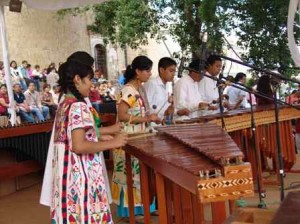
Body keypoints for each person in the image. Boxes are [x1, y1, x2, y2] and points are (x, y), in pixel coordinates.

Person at [40, 51, 128, 223]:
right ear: (78, 79)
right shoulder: (78, 106)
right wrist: (115, 142)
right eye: (90, 80)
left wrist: (101, 136)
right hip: (81, 184)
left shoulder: (64, 103)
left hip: (67, 184)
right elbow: (79, 145)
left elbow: (73, 137)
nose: (92, 86)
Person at [112, 55, 160, 220]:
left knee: (142, 174)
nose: (149, 74)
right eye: (147, 70)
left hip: (140, 137)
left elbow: (138, 113)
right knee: (130, 176)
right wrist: (147, 119)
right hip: (128, 139)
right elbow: (122, 115)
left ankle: (146, 206)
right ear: (137, 71)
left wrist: (150, 118)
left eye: (149, 70)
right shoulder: (129, 90)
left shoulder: (140, 89)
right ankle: (131, 210)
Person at [143, 57, 176, 123]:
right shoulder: (152, 84)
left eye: (174, 71)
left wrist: (168, 112)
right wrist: (164, 113)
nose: (173, 74)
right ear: (161, 70)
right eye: (171, 71)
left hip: (161, 124)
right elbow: (145, 107)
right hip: (151, 125)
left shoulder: (167, 86)